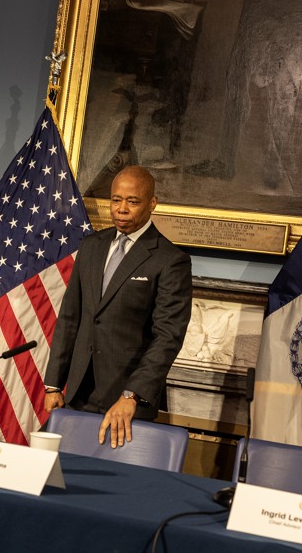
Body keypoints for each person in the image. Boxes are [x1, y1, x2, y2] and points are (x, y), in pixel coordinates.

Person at [43, 165, 191, 448]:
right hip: (76, 394)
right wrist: (53, 384)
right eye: (116, 200)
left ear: (152, 203)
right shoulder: (91, 246)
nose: (122, 209)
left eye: (132, 201)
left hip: (126, 401)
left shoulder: (171, 260)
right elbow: (70, 317)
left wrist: (132, 394)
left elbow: (168, 337)